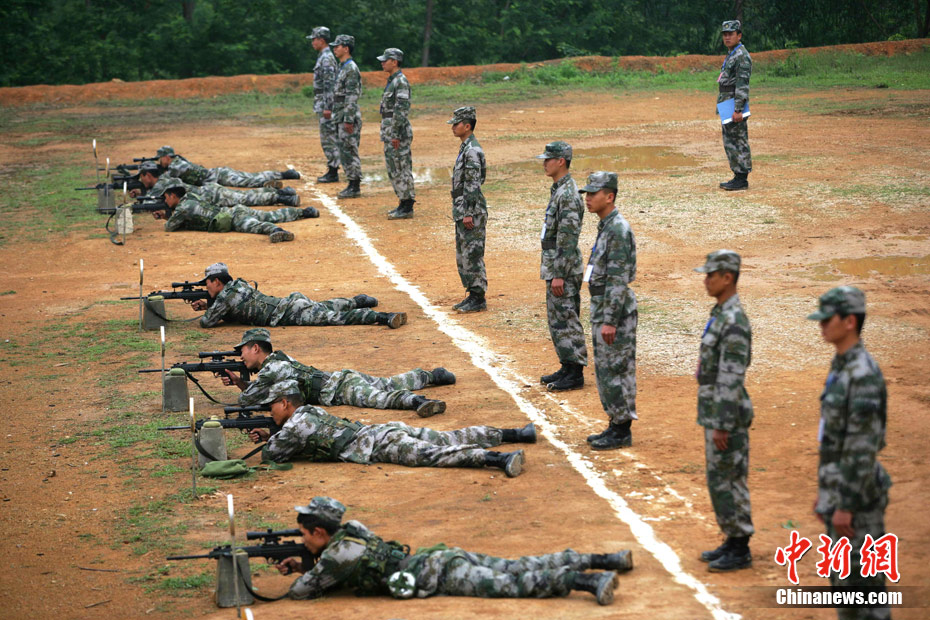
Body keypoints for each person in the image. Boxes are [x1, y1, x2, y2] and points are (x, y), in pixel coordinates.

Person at [275, 496, 633, 605]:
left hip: (441, 573)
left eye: (305, 535)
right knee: (517, 565)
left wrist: (305, 567)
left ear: (320, 532)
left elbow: (301, 592)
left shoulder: (337, 557)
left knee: (513, 584)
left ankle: (587, 580)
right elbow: (340, 565)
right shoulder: (353, 531)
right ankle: (604, 558)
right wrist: (311, 557)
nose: (303, 540)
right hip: (442, 557)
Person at [808, 286, 892, 620]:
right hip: (840, 492)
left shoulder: (862, 374)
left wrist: (844, 504)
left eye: (828, 319)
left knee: (864, 594)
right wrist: (826, 493)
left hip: (857, 503)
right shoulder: (842, 365)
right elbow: (834, 441)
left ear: (850, 322)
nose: (821, 325)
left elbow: (861, 446)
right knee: (846, 589)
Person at [251, 381, 533, 478]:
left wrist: (271, 436)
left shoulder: (292, 428)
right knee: (448, 436)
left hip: (380, 445)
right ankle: (515, 433)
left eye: (271, 407)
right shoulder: (310, 411)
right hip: (383, 430)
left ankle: (499, 459)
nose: (269, 412)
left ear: (285, 403)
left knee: (435, 455)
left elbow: (271, 456)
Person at [222, 328, 455, 418]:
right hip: (341, 378)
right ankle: (431, 375)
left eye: (242, 350)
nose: (240, 356)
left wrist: (238, 385)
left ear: (255, 348)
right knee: (388, 383)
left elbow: (247, 399)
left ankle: (418, 400)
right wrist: (239, 381)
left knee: (381, 398)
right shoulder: (279, 359)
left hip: (340, 389)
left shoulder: (269, 370)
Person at [694, 250, 754, 572]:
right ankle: (731, 539)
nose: (706, 280)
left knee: (730, 480)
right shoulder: (720, 313)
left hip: (725, 416)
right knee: (720, 479)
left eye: (710, 275)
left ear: (727, 278)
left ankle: (740, 546)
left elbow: (733, 376)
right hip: (716, 410)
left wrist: (722, 423)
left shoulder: (733, 320)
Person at [578, 172, 637, 450]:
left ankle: (622, 429)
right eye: (587, 194)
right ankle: (615, 423)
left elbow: (618, 278)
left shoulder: (617, 229)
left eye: (593, 194)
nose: (588, 198)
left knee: (616, 367)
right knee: (605, 368)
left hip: (614, 310)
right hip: (602, 305)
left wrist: (611, 320)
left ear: (609, 196)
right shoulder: (606, 225)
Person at [189, 263, 406, 329]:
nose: (205, 287)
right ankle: (358, 300)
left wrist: (208, 306)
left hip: (286, 314)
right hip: (290, 303)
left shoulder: (225, 298)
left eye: (207, 283)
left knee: (332, 318)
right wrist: (210, 301)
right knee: (325, 307)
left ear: (217, 281)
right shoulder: (238, 285)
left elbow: (207, 322)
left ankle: (381, 317)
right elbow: (236, 309)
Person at [536, 141, 587, 392]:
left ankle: (575, 372)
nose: (544, 163)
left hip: (563, 267)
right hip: (556, 264)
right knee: (558, 318)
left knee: (566, 317)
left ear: (561, 162)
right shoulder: (559, 189)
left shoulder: (567, 194)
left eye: (548, 159)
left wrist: (559, 274)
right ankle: (567, 365)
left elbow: (567, 238)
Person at [153, 185, 316, 243]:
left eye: (166, 197)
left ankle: (275, 230)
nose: (166, 201)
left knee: (255, 226)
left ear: (174, 196)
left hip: (231, 218)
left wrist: (165, 216)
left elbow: (170, 227)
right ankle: (304, 212)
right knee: (269, 215)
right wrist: (167, 214)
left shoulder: (181, 209)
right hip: (234, 210)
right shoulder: (191, 198)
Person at [448, 106, 487, 313]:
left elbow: (474, 182)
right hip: (463, 208)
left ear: (467, 126)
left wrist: (468, 212)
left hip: (470, 210)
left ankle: (478, 297)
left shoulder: (471, 150)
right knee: (464, 254)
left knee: (472, 254)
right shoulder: (466, 147)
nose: (453, 127)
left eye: (456, 124)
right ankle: (472, 294)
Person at [136, 161, 300, 208]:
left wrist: (139, 199)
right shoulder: (166, 178)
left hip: (210, 195)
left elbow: (149, 205)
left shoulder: (160, 186)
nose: (141, 180)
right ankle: (282, 193)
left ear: (148, 175)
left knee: (246, 199)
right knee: (244, 195)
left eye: (142, 177)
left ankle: (282, 196)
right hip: (210, 191)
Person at [377, 48, 416, 220]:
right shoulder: (392, 80)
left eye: (386, 60)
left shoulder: (400, 81)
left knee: (401, 167)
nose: (382, 62)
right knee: (394, 168)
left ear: (395, 61)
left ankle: (407, 205)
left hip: (397, 132)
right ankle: (402, 201)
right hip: (390, 131)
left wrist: (395, 134)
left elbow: (401, 110)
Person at [154, 145, 299, 189]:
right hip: (219, 172)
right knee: (251, 176)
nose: (160, 162)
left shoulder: (174, 168)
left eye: (161, 159)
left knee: (247, 181)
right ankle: (284, 174)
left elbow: (164, 180)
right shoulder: (179, 161)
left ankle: (272, 184)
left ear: (167, 157)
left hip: (218, 176)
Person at [717, 20, 752, 191]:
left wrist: (738, 109)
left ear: (739, 35)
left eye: (731, 33)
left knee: (738, 140)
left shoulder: (742, 55)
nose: (727, 37)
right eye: (725, 34)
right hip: (727, 101)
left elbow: (742, 84)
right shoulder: (732, 53)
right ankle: (737, 175)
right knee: (730, 140)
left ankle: (742, 178)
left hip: (734, 103)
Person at [306, 27, 341, 184]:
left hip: (326, 104)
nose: (312, 42)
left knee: (328, 138)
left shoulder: (326, 58)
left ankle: (333, 171)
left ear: (322, 40)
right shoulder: (324, 57)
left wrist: (328, 106)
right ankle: (332, 168)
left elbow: (330, 85)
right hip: (322, 103)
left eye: (314, 39)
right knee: (327, 137)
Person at [331, 34, 363, 199]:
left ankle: (354, 184)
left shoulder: (351, 68)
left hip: (347, 116)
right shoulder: (342, 66)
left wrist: (349, 119)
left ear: (347, 48)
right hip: (340, 115)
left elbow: (352, 96)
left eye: (338, 46)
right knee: (344, 150)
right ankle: (351, 181)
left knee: (350, 149)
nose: (335, 49)